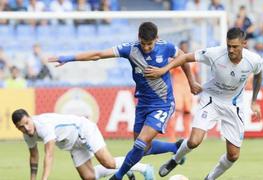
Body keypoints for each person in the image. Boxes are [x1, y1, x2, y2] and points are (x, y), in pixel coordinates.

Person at [48, 22, 201, 180]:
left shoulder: (166, 47)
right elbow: (98, 55)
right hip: (143, 104)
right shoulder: (130, 49)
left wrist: (191, 82)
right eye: (143, 43)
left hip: (163, 104)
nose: (146, 47)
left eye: (150, 44)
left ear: (157, 39)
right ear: (138, 38)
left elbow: (183, 58)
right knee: (143, 148)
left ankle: (118, 176)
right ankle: (176, 146)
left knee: (140, 144)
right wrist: (69, 58)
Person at [144, 27, 263, 179]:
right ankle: (175, 160)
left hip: (234, 105)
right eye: (229, 46)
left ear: (244, 44)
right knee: (194, 141)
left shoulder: (253, 60)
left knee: (233, 155)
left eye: (235, 46)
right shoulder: (215, 53)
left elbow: (259, 74)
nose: (231, 50)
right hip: (211, 99)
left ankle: (210, 177)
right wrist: (165, 70)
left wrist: (254, 101)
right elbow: (185, 57)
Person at [12, 108, 154, 180]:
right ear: (17, 128)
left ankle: (145, 168)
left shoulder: (43, 126)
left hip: (83, 130)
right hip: (72, 144)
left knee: (108, 163)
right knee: (89, 177)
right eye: (21, 127)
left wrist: (44, 179)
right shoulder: (27, 134)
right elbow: (34, 157)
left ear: (30, 118)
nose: (26, 128)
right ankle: (123, 169)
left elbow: (49, 155)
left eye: (27, 123)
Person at [167, 40, 200, 142]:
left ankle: (186, 137)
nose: (184, 49)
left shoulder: (192, 61)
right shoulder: (174, 61)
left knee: (187, 113)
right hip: (177, 90)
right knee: (175, 114)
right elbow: (168, 74)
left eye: (186, 47)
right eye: (182, 47)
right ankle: (172, 138)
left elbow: (197, 75)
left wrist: (199, 86)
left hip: (188, 91)